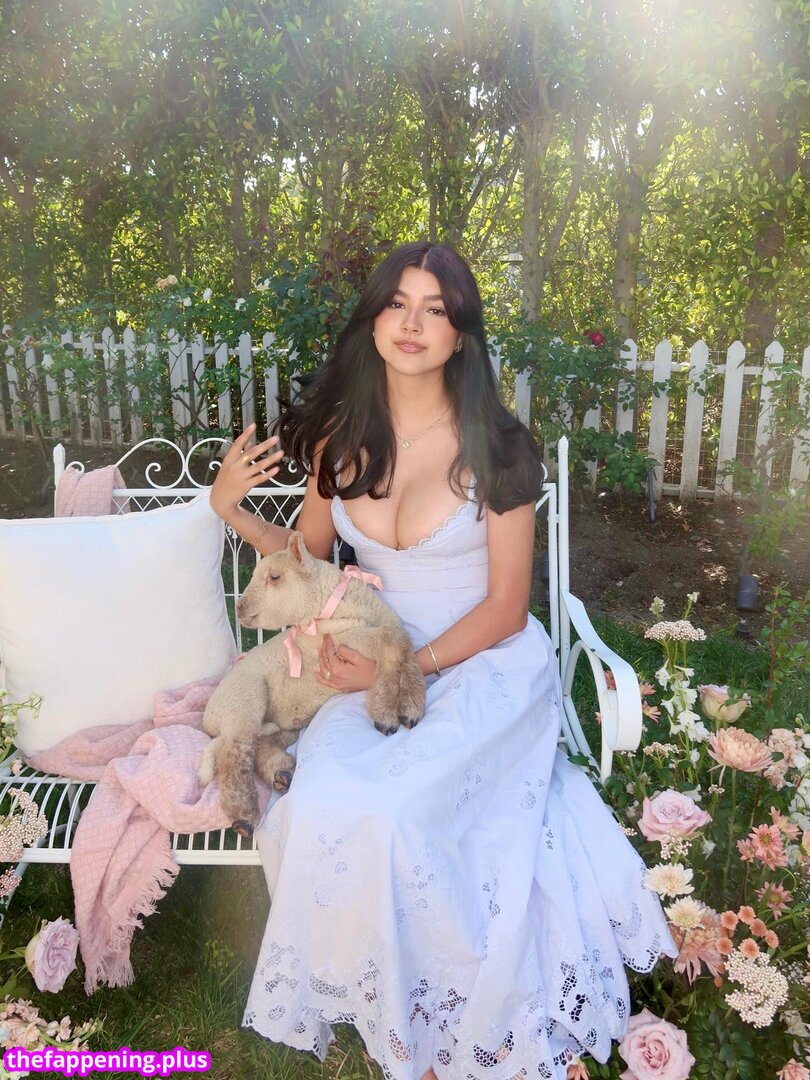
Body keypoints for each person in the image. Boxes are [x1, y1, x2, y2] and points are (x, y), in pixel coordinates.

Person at [209, 242, 677, 1080]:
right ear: (374, 321)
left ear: (461, 334)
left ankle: (450, 1027)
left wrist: (400, 670)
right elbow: (305, 561)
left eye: (436, 309)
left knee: (399, 813)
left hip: (479, 661)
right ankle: (391, 1007)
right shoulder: (341, 442)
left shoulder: (496, 446)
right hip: (368, 662)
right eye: (397, 303)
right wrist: (230, 510)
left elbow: (506, 607)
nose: (413, 323)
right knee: (325, 803)